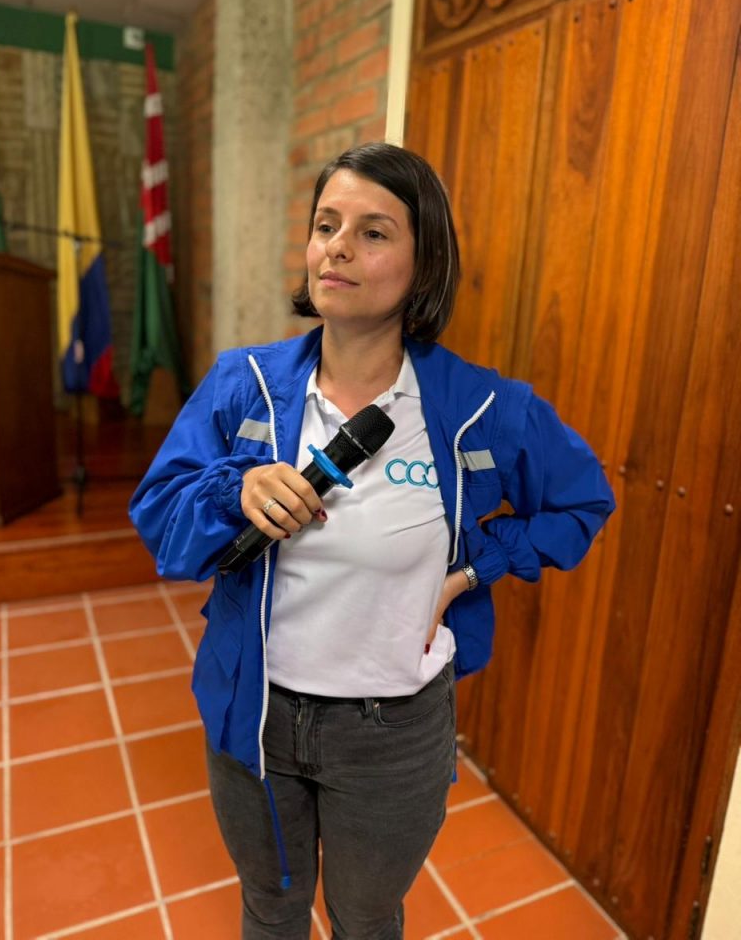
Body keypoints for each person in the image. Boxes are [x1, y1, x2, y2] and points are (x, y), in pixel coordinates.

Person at [129, 142, 615, 940]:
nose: (338, 248)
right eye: (326, 226)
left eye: (374, 232)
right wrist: (233, 491)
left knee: (364, 918)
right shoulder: (243, 385)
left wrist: (474, 569)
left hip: (392, 731)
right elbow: (158, 510)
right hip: (255, 712)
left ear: (424, 267)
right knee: (271, 907)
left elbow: (582, 501)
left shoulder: (483, 408)